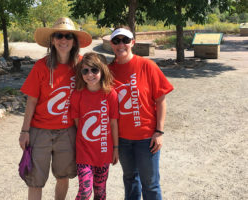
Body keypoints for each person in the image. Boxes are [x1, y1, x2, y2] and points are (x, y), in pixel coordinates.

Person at [18, 17, 92, 200]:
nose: (63, 40)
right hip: (40, 131)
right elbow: (31, 101)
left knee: (63, 175)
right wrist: (25, 131)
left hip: (68, 131)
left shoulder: (83, 66)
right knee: (36, 179)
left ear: (74, 41)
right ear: (52, 40)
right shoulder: (41, 67)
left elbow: (100, 87)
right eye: (59, 35)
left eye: (68, 36)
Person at [108, 26, 174, 200]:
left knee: (150, 184)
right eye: (116, 41)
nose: (121, 44)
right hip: (122, 139)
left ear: (133, 43)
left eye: (125, 40)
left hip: (146, 138)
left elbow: (161, 100)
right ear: (111, 44)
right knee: (130, 180)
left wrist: (159, 132)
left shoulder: (147, 66)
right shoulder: (107, 71)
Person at [70, 52, 119, 200]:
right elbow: (78, 124)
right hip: (84, 153)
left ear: (102, 70)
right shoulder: (77, 95)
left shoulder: (110, 94)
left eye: (94, 70)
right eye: (85, 71)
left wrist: (115, 148)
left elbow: (113, 123)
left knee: (100, 191)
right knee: (85, 191)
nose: (90, 74)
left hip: (104, 151)